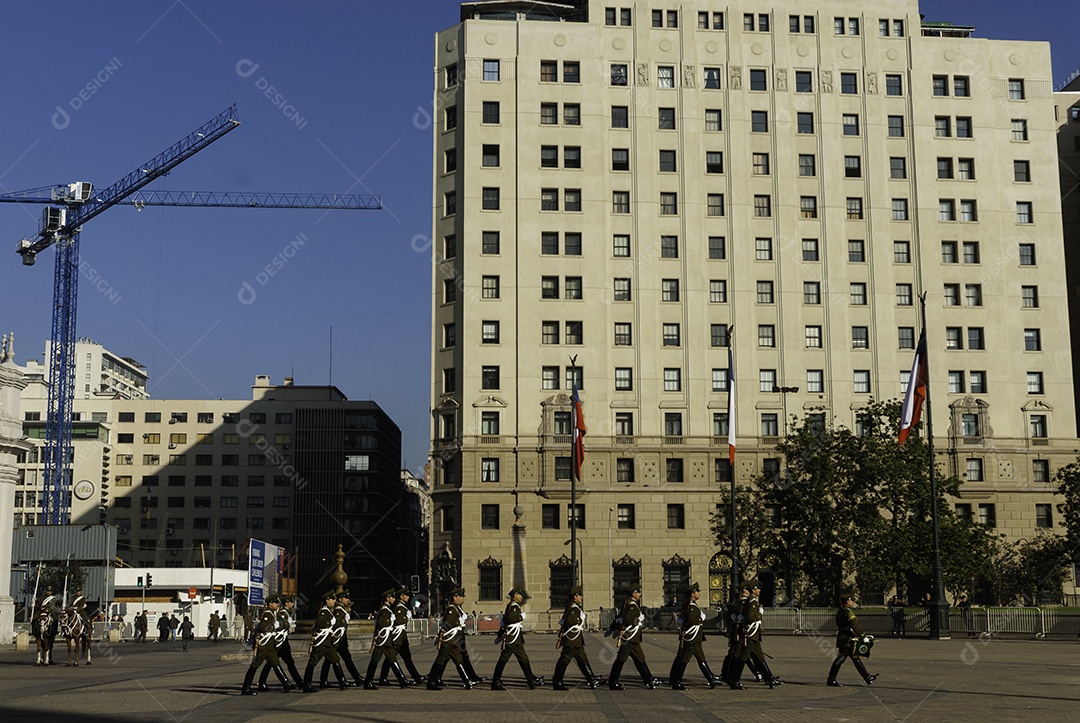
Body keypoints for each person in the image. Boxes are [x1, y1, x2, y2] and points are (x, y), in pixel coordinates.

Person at [607, 582, 660, 690]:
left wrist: (613, 628)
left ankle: (649, 680)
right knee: (621, 659)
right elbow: (626, 619)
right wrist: (637, 620)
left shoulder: (631, 604)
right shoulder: (631, 606)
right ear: (634, 593)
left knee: (640, 659)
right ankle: (613, 681)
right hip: (629, 638)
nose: (640, 594)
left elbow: (621, 617)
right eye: (638, 592)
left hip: (633, 638)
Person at [668, 582, 721, 689]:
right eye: (697, 591)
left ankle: (710, 679)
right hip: (692, 637)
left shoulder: (689, 604)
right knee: (684, 659)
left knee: (701, 658)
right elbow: (692, 620)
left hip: (694, 637)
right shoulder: (691, 606)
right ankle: (676, 681)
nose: (699, 593)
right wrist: (701, 618)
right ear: (693, 594)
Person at [491, 588, 543, 690]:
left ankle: (530, 679)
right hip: (511, 638)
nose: (521, 597)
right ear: (515, 595)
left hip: (516, 638)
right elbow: (510, 619)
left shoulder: (514, 606)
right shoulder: (513, 606)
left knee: (523, 658)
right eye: (520, 595)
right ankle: (495, 681)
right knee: (503, 659)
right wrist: (521, 617)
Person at [240, 596, 293, 695]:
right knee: (255, 666)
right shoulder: (268, 614)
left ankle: (286, 683)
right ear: (270, 603)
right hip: (263, 646)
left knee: (276, 664)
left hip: (270, 645)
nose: (278, 604)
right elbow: (263, 627)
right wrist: (276, 626)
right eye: (276, 602)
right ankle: (246, 687)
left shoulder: (272, 613)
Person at [552, 586, 602, 690]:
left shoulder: (574, 607)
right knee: (565, 660)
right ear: (575, 597)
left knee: (582, 659)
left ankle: (592, 680)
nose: (581, 598)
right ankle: (557, 681)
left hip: (576, 640)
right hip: (572, 639)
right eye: (580, 596)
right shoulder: (573, 608)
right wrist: (579, 619)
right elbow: (569, 621)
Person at [426, 587, 477, 690]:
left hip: (454, 640)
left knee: (459, 660)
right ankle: (431, 682)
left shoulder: (456, 608)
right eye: (461, 596)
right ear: (455, 597)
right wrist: (459, 622)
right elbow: (447, 624)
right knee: (440, 660)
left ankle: (467, 681)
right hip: (448, 640)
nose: (463, 599)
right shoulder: (451, 609)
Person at [301, 591, 349, 693]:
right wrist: (330, 622)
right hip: (321, 642)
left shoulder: (329, 611)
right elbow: (320, 622)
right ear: (327, 600)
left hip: (328, 642)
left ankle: (342, 682)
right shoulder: (324, 611)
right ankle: (307, 685)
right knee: (312, 663)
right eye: (332, 599)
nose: (334, 601)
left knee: (335, 660)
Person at [827, 596, 879, 687]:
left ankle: (867, 677)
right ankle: (831, 679)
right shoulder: (848, 612)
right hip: (848, 639)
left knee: (855, 658)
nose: (852, 602)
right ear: (847, 602)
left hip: (844, 637)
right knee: (841, 658)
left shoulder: (840, 611)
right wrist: (863, 636)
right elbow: (854, 626)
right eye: (851, 601)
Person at [363, 588, 410, 689]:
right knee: (375, 660)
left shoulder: (387, 609)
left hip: (387, 639)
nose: (394, 599)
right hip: (382, 639)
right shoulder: (384, 610)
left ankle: (402, 680)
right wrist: (389, 620)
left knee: (392, 659)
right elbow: (380, 623)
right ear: (387, 598)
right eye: (392, 597)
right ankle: (368, 681)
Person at [379, 587, 426, 686]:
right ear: (401, 596)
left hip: (402, 637)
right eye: (406, 595)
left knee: (405, 657)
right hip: (397, 636)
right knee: (391, 658)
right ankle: (384, 678)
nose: (408, 597)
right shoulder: (399, 607)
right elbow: (397, 621)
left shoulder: (402, 606)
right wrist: (406, 617)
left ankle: (416, 677)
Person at [258, 596, 305, 691]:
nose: (292, 604)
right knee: (276, 662)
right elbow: (277, 626)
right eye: (291, 602)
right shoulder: (282, 613)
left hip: (282, 641)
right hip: (280, 641)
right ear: (286, 603)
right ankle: (296, 682)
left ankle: (265, 682)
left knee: (277, 662)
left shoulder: (285, 612)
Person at [741, 581, 781, 688]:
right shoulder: (752, 601)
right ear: (753, 590)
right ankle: (733, 679)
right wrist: (760, 614)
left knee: (759, 658)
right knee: (742, 658)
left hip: (754, 636)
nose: (760, 590)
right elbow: (750, 618)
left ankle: (769, 679)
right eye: (757, 589)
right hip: (751, 635)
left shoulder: (752, 601)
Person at [320, 590, 363, 688]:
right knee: (341, 659)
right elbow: (336, 625)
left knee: (331, 659)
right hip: (338, 640)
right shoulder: (339, 610)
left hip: (340, 639)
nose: (348, 600)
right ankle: (354, 678)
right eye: (346, 598)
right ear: (340, 599)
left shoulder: (342, 609)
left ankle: (324, 680)